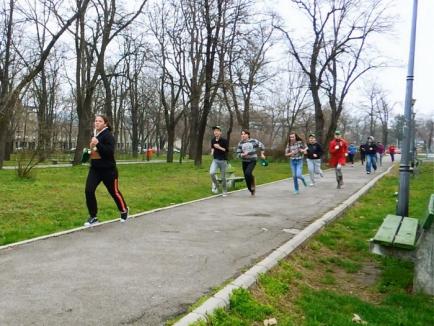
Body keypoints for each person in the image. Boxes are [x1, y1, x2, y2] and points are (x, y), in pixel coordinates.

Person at [84, 115, 128, 226]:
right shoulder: (95, 134)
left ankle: (124, 210)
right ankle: (93, 217)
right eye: (96, 121)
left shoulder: (108, 136)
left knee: (114, 192)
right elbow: (94, 151)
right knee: (89, 190)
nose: (97, 123)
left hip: (109, 170)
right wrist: (88, 152)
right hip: (95, 169)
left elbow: (109, 152)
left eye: (100, 121)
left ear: (105, 124)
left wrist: (98, 144)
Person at [236, 129, 265, 196]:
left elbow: (262, 146)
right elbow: (237, 154)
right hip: (244, 161)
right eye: (242, 134)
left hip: (252, 160)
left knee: (248, 173)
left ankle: (252, 183)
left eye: (244, 134)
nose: (243, 135)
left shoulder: (254, 141)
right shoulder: (240, 143)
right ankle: (251, 189)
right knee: (246, 176)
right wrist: (241, 155)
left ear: (248, 135)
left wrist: (262, 154)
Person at [210, 126, 229, 196]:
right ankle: (217, 186)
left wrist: (219, 147)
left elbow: (226, 150)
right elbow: (212, 147)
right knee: (211, 173)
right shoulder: (212, 140)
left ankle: (224, 190)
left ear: (220, 132)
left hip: (223, 161)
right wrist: (212, 152)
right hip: (215, 160)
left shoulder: (224, 140)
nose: (215, 132)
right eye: (214, 131)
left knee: (223, 177)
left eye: (217, 130)